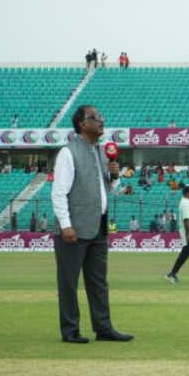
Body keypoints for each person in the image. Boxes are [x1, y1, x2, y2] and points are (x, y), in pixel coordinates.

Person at [51, 105, 133, 344]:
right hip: (73, 230)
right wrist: (66, 225)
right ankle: (70, 330)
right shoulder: (68, 152)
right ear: (82, 124)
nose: (101, 120)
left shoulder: (102, 152)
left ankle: (104, 328)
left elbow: (105, 191)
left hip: (97, 227)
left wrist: (115, 177)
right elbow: (59, 192)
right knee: (68, 283)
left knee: (98, 282)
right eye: (95, 117)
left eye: (101, 116)